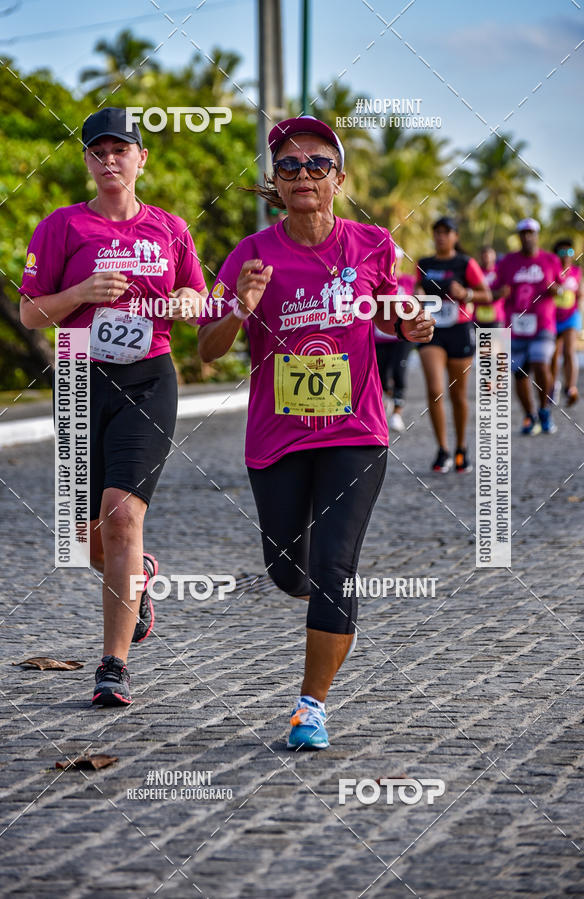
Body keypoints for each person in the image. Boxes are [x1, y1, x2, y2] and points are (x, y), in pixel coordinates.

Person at [197, 116, 433, 750]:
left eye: (317, 164)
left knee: (335, 567)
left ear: (339, 178)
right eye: (289, 165)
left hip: (356, 432)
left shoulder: (372, 244)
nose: (303, 174)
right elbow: (206, 350)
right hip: (277, 438)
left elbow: (394, 312)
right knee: (285, 569)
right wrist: (240, 308)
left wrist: (411, 324)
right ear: (275, 180)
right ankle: (314, 591)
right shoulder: (250, 255)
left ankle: (311, 707)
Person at [19, 107, 208, 706]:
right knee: (84, 539)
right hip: (79, 372)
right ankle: (139, 578)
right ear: (86, 161)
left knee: (122, 515)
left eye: (120, 150)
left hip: (149, 377)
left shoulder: (170, 229)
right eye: (98, 152)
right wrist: (80, 292)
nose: (109, 161)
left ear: (140, 159)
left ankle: (113, 665)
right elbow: (30, 313)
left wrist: (187, 302)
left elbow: (198, 297)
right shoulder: (62, 227)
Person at [415, 217, 492, 473]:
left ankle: (461, 447)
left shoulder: (465, 263)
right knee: (435, 389)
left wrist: (466, 294)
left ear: (455, 236)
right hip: (432, 331)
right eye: (437, 232)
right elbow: (417, 289)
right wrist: (418, 295)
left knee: (458, 395)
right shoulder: (424, 263)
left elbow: (486, 295)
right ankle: (443, 450)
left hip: (459, 329)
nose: (440, 236)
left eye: (446, 232)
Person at [492, 218, 562, 434]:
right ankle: (529, 416)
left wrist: (555, 290)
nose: (527, 237)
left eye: (531, 233)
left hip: (543, 323)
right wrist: (500, 293)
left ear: (537, 235)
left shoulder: (550, 260)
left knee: (541, 363)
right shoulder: (508, 262)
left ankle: (544, 410)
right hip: (516, 326)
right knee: (519, 372)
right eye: (523, 233)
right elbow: (494, 290)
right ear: (519, 236)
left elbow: (561, 287)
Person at [374, 247, 415, 431]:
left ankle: (397, 413)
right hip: (379, 337)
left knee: (399, 371)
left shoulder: (409, 281)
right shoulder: (376, 280)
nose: (392, 262)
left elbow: (417, 303)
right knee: (381, 376)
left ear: (400, 260)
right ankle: (389, 396)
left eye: (396, 258)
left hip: (401, 337)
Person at [550, 238, 582, 406]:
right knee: (554, 355)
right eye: (562, 252)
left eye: (569, 251)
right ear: (556, 254)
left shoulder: (577, 271)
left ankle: (570, 388)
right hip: (553, 318)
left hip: (571, 316)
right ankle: (553, 386)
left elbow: (580, 293)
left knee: (569, 351)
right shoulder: (551, 271)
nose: (566, 255)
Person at [476, 246, 505, 327]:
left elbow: (504, 291)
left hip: (498, 317)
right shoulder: (476, 271)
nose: (487, 259)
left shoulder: (500, 270)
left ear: (494, 256)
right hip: (478, 317)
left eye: (489, 256)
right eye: (484, 256)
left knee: (500, 336)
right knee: (478, 336)